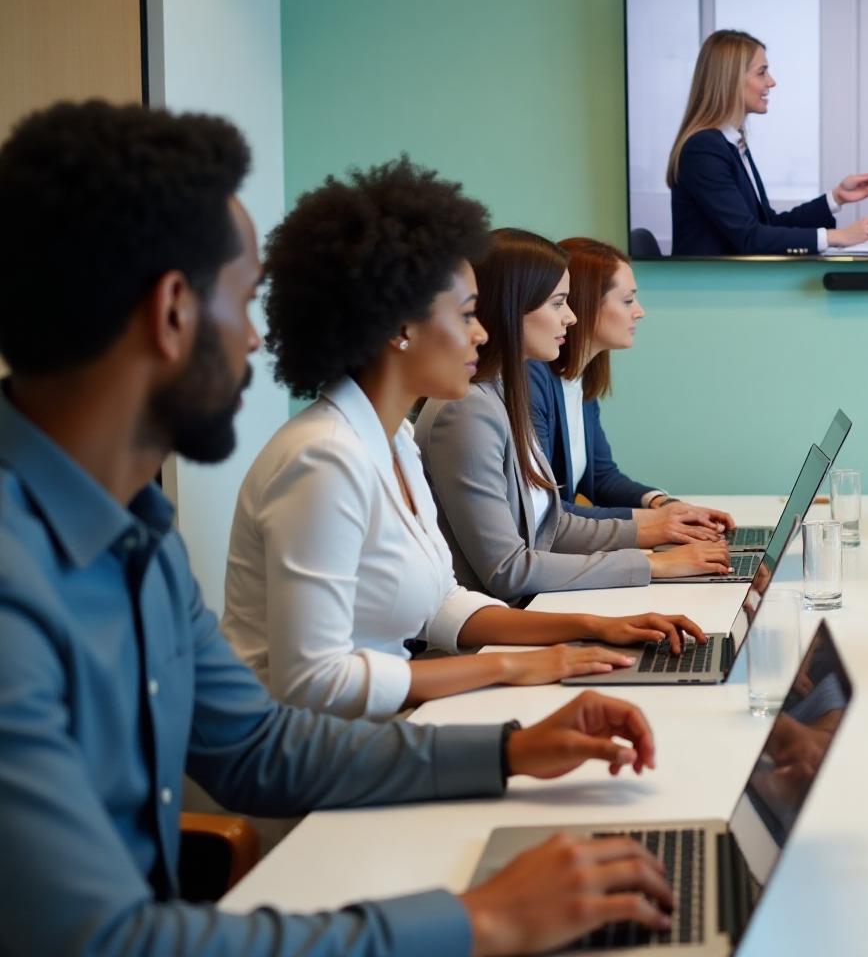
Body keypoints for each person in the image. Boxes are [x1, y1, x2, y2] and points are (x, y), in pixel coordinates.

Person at [0, 100, 682, 954]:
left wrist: (512, 750)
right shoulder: (15, 578)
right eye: (243, 301)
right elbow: (102, 941)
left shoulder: (137, 532)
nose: (254, 340)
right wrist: (483, 920)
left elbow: (255, 745)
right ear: (173, 311)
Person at [223, 159, 708, 720]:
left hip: (386, 725)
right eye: (468, 314)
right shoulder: (322, 460)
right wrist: (505, 665)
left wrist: (590, 628)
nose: (482, 332)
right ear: (400, 326)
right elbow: (315, 683)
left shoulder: (395, 440)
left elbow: (442, 604)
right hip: (319, 756)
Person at [417, 229, 730, 600]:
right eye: (558, 303)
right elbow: (508, 570)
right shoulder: (467, 409)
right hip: (494, 621)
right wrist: (653, 564)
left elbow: (550, 525)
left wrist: (660, 528)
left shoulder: (503, 392)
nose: (570, 317)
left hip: (517, 608)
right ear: (512, 307)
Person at [527, 236, 734, 538]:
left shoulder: (579, 379)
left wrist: (663, 504)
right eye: (627, 300)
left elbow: (601, 478)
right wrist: (653, 524)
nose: (639, 311)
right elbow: (546, 511)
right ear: (584, 304)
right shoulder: (534, 379)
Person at [667, 29, 868, 256]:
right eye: (762, 72)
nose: (771, 82)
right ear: (731, 80)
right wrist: (837, 237)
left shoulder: (731, 145)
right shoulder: (703, 150)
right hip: (712, 288)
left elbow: (768, 224)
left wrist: (837, 196)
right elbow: (750, 237)